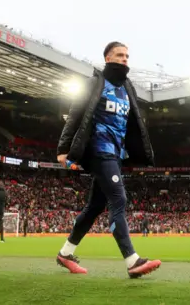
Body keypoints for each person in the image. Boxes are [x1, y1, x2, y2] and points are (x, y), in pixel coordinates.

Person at [55, 41, 161, 278]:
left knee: (95, 207)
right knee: (118, 198)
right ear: (107, 58)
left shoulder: (127, 87)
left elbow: (135, 121)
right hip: (98, 150)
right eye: (120, 55)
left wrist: (140, 150)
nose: (125, 59)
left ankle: (65, 253)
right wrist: (63, 149)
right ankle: (132, 261)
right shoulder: (95, 83)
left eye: (127, 56)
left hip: (116, 153)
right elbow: (75, 115)